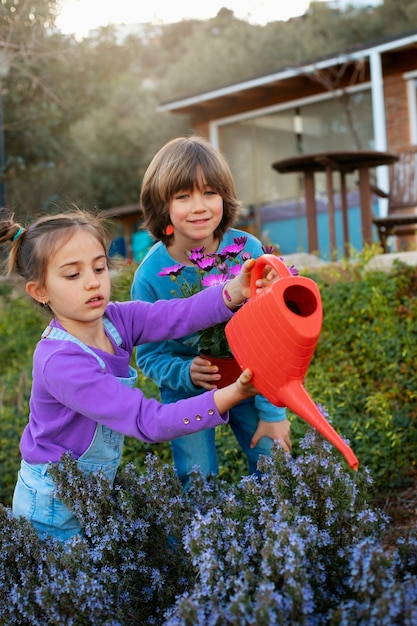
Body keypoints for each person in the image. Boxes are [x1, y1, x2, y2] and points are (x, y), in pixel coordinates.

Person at [0, 208, 268, 541]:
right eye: (72, 274)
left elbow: (178, 314)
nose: (92, 281)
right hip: (53, 506)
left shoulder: (115, 320)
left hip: (93, 488)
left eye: (99, 267)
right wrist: (232, 395)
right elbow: (149, 421)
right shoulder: (61, 362)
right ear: (40, 291)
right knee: (69, 588)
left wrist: (234, 291)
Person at [131, 135, 292, 488]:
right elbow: (150, 356)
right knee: (197, 477)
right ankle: (206, 538)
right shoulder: (149, 278)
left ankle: (280, 534)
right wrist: (184, 371)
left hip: (249, 377)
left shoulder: (246, 250)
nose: (199, 206)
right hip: (189, 389)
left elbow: (272, 337)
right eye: (183, 196)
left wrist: (274, 413)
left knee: (274, 461)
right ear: (163, 206)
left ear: (225, 197)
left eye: (209, 193)